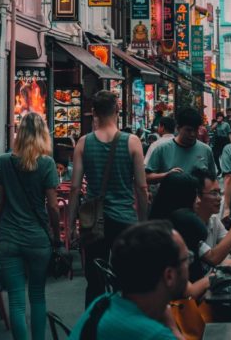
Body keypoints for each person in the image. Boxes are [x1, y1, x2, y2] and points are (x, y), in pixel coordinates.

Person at [68, 90, 148, 307]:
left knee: (94, 282)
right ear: (117, 110)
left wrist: (70, 226)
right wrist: (144, 223)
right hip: (125, 220)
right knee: (128, 280)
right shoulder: (132, 142)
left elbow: (75, 188)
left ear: (94, 112)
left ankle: (93, 328)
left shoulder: (83, 143)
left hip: (94, 222)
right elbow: (141, 187)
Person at [0, 112, 61, 340]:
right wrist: (57, 236)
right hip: (38, 239)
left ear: (19, 133)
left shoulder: (3, 162)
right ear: (43, 134)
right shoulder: (47, 164)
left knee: (16, 301)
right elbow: (52, 206)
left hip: (9, 238)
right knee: (38, 296)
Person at [69, 220, 188, 340]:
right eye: (187, 259)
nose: (188, 264)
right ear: (169, 276)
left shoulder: (101, 303)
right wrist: (173, 329)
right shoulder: (155, 335)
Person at [190, 168, 231, 265]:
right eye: (213, 193)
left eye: (219, 193)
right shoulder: (188, 224)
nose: (219, 198)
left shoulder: (214, 220)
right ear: (197, 196)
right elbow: (213, 258)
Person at [145, 108, 217, 186]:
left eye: (195, 130)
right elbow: (147, 177)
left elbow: (212, 179)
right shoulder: (162, 149)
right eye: (188, 130)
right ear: (178, 128)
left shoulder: (206, 150)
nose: (192, 134)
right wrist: (167, 175)